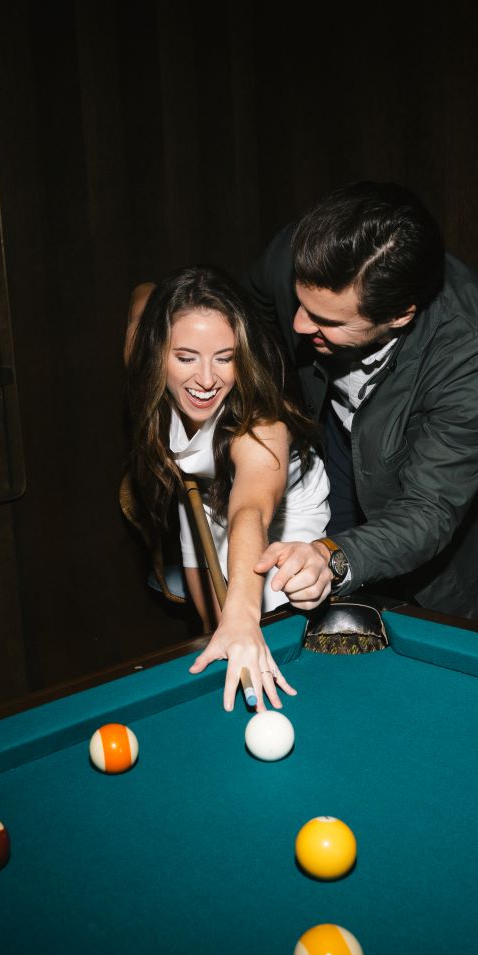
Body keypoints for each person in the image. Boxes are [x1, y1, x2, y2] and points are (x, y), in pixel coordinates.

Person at [242, 181, 478, 619]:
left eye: (325, 320)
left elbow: (428, 510)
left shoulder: (476, 354)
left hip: (429, 516)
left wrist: (332, 559)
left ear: (399, 316)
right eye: (299, 302)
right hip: (332, 445)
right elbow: (253, 311)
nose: (298, 324)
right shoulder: (294, 253)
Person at [125, 265, 330, 711]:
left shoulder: (261, 423)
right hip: (203, 488)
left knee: (255, 618)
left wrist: (241, 613)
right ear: (156, 349)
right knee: (208, 622)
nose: (205, 379)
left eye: (225, 356)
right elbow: (143, 291)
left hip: (280, 512)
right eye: (185, 357)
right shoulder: (142, 351)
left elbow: (250, 510)